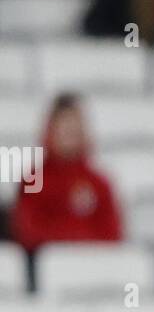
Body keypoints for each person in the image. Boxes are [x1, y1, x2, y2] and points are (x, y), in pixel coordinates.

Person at [11, 93, 123, 256]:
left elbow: (113, 235)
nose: (70, 132)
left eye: (75, 125)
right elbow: (27, 233)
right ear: (51, 130)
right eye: (64, 126)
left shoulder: (99, 183)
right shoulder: (34, 180)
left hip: (95, 268)